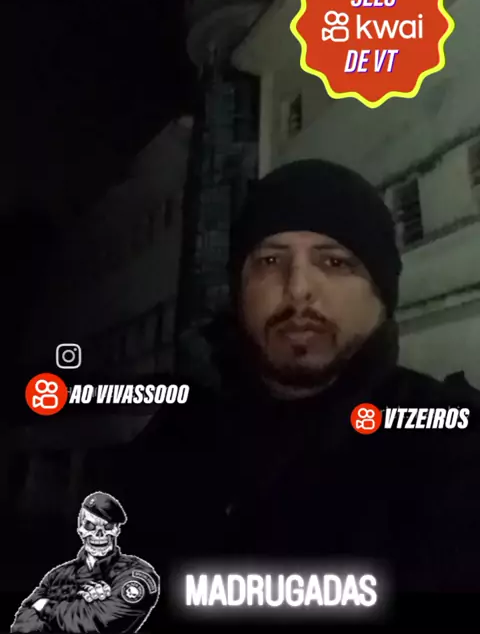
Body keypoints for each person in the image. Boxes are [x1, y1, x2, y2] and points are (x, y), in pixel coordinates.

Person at [95, 160, 480, 624]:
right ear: (239, 291)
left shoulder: (450, 447)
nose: (298, 289)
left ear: (382, 295)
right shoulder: (173, 441)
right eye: (270, 261)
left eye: (334, 262)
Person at [10, 491, 159, 633]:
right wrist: (87, 607)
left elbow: (101, 624)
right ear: (80, 529)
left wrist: (44, 606)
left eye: (107, 527)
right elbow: (21, 625)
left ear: (117, 530)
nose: (99, 534)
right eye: (90, 526)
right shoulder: (56, 575)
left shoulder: (136, 573)